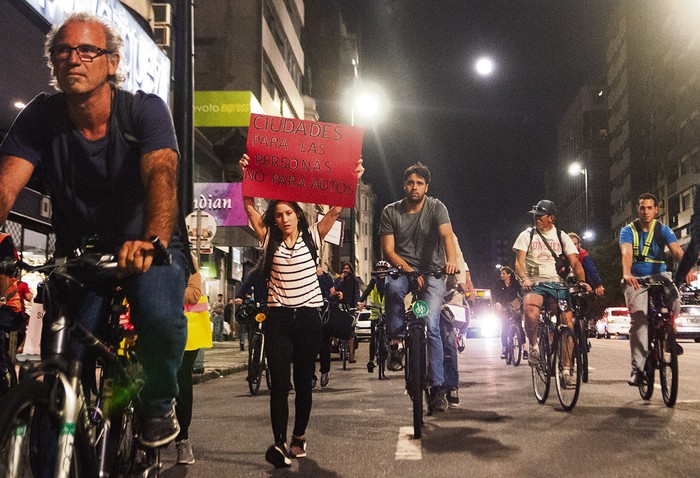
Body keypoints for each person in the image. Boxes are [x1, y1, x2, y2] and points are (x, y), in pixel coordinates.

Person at [0, 13, 189, 447]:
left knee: (159, 314)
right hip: (79, 252)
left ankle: (159, 403)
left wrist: (154, 240)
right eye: (63, 51)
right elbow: (6, 186)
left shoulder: (143, 110)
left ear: (112, 61)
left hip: (145, 242)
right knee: (59, 370)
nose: (74, 59)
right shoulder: (41, 117)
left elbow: (161, 174)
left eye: (87, 50)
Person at [239, 153, 363, 468]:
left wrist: (352, 176)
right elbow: (250, 208)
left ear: (297, 213)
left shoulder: (314, 238)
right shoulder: (267, 239)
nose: (283, 219)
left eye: (288, 213)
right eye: (278, 214)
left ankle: (298, 438)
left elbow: (336, 209)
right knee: (279, 383)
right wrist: (247, 176)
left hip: (308, 318)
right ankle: (279, 443)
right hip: (278, 318)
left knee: (303, 381)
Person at [380, 162, 457, 413]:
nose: (415, 187)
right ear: (404, 185)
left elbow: (447, 236)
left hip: (432, 272)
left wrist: (452, 261)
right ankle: (395, 343)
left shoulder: (436, 207)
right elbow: (389, 251)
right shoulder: (391, 212)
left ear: (426, 187)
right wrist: (409, 271)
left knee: (432, 325)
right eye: (410, 182)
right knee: (392, 289)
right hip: (402, 268)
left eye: (419, 183)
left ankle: (437, 388)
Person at [513, 200, 590, 386]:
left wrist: (582, 281)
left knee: (567, 325)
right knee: (531, 313)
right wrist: (524, 278)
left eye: (540, 215)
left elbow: (575, 263)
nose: (536, 218)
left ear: (551, 218)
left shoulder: (562, 236)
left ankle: (565, 370)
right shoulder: (527, 235)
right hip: (535, 284)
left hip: (557, 284)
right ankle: (533, 346)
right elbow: (518, 263)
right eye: (535, 215)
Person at [620, 193, 686, 386]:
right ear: (638, 210)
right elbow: (626, 253)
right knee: (639, 321)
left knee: (675, 299)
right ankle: (638, 369)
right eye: (642, 208)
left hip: (660, 276)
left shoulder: (663, 229)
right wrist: (626, 273)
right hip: (636, 279)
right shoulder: (628, 231)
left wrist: (688, 268)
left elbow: (676, 251)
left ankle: (669, 337)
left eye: (650, 208)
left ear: (656, 209)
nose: (646, 212)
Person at [175, 254, 212, 465]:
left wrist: (162, 293)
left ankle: (183, 439)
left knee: (182, 381)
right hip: (150, 329)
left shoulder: (185, 255)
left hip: (186, 333)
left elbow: (194, 292)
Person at [440, 235, 475, 408]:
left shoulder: (448, 234)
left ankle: (451, 385)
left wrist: (461, 282)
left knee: (447, 340)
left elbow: (458, 258)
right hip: (422, 287)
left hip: (447, 291)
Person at [358, 260, 390, 373]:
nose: (381, 272)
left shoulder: (390, 281)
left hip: (388, 314)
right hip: (375, 314)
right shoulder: (374, 281)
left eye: (384, 270)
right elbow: (366, 291)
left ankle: (391, 355)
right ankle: (371, 360)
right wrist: (360, 302)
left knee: (391, 334)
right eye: (379, 270)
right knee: (373, 338)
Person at [493, 266, 525, 360]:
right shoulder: (498, 283)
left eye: (504, 273)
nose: (501, 275)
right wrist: (498, 303)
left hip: (515, 304)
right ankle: (504, 349)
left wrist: (523, 304)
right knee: (505, 326)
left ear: (509, 274)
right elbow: (496, 294)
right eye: (501, 273)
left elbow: (521, 293)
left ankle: (524, 348)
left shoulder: (515, 283)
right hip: (503, 305)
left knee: (519, 326)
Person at [333, 261, 360, 363]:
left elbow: (356, 294)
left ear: (351, 270)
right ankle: (336, 342)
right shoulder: (338, 280)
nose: (345, 270)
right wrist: (341, 280)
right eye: (344, 268)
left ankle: (351, 354)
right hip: (339, 306)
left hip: (350, 307)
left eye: (347, 268)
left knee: (350, 330)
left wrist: (357, 305)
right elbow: (334, 290)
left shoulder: (355, 281)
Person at [316, 266, 337, 388]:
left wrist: (322, 277)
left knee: (324, 345)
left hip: (324, 313)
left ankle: (324, 372)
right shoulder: (304, 272)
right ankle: (310, 375)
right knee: (308, 346)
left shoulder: (326, 277)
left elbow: (331, 293)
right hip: (309, 311)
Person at [568, 232, 604, 297]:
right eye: (570, 244)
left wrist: (599, 285)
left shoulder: (583, 255)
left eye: (575, 244)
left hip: (581, 284)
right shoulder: (559, 255)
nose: (573, 247)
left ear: (579, 245)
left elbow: (591, 269)